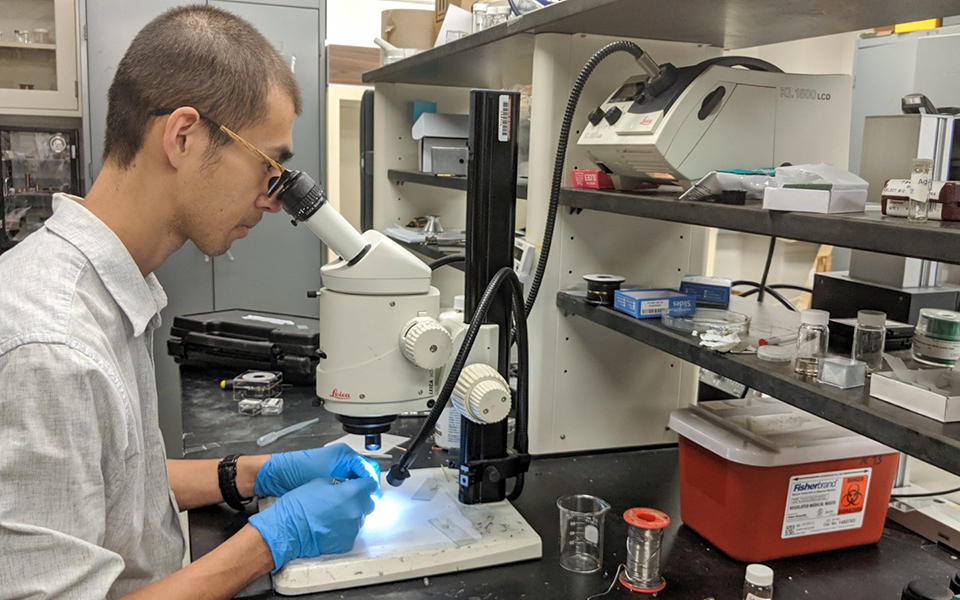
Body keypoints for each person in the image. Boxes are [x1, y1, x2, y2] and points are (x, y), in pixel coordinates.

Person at [0, 6, 378, 598]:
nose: (273, 199)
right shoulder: (51, 348)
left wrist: (252, 474)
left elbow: (116, 484)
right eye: (268, 165)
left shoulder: (107, 295)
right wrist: (268, 544)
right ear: (183, 137)